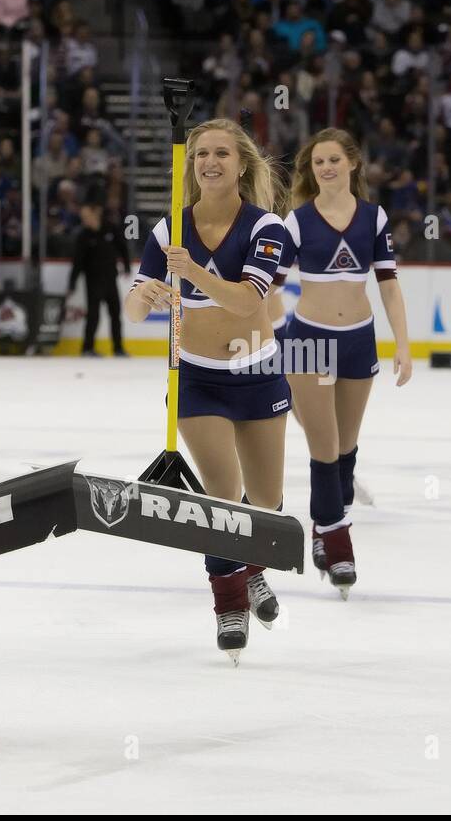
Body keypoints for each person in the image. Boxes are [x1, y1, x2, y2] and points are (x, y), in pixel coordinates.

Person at [124, 118, 291, 661]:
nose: (210, 163)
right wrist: (145, 296)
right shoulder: (169, 227)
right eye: (200, 155)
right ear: (191, 165)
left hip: (256, 371)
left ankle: (254, 565)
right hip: (195, 375)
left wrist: (190, 270)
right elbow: (133, 302)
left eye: (221, 153)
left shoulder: (267, 227)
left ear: (242, 164)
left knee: (264, 502)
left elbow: (247, 303)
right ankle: (229, 603)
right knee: (221, 496)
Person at [277, 127, 413, 598]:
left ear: (353, 163)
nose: (326, 168)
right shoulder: (296, 222)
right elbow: (267, 288)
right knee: (325, 446)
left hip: (358, 340)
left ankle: (323, 524)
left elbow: (389, 285)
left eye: (334, 159)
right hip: (308, 341)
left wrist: (404, 342)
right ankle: (339, 544)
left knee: (346, 451)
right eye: (318, 162)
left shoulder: (374, 218)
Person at [68, 193, 130, 356]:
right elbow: (78, 262)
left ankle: (118, 348)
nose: (84, 219)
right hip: (93, 281)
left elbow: (122, 247)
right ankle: (87, 348)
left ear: (96, 212)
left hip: (110, 278)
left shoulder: (110, 228)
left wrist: (127, 266)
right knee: (93, 315)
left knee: (115, 314)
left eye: (87, 215)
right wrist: (72, 283)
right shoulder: (83, 236)